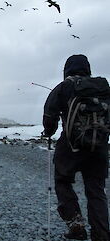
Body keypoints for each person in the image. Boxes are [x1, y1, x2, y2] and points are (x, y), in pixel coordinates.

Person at [42, 54, 110, 241]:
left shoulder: (65, 86)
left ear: (67, 70)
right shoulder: (103, 87)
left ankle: (76, 224)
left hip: (71, 145)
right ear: (88, 68)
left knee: (62, 180)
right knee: (96, 190)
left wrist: (49, 131)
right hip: (100, 147)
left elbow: (50, 113)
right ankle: (102, 235)